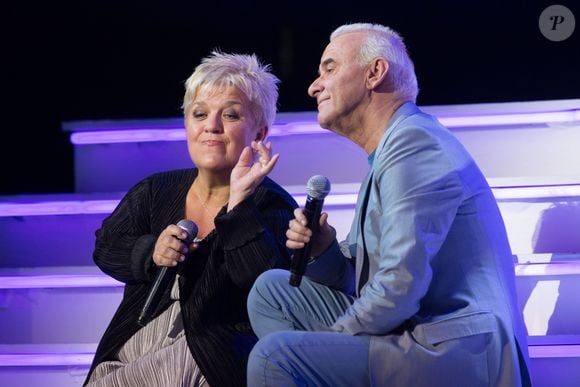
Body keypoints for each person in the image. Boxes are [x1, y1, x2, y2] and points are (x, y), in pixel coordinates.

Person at [246, 23, 532, 386]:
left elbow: (399, 284)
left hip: (454, 348)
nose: (314, 86)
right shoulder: (390, 150)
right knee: (273, 293)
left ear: (374, 73)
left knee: (275, 359)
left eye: (329, 69)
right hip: (412, 332)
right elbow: (360, 284)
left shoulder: (414, 144)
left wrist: (331, 343)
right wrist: (324, 251)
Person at [83, 51, 298, 387]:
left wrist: (239, 208)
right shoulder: (156, 190)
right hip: (137, 342)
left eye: (229, 115)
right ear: (187, 124)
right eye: (199, 114)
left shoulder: (274, 205)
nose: (211, 126)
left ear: (258, 134)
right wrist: (151, 252)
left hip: (215, 352)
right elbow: (106, 247)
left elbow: (265, 287)